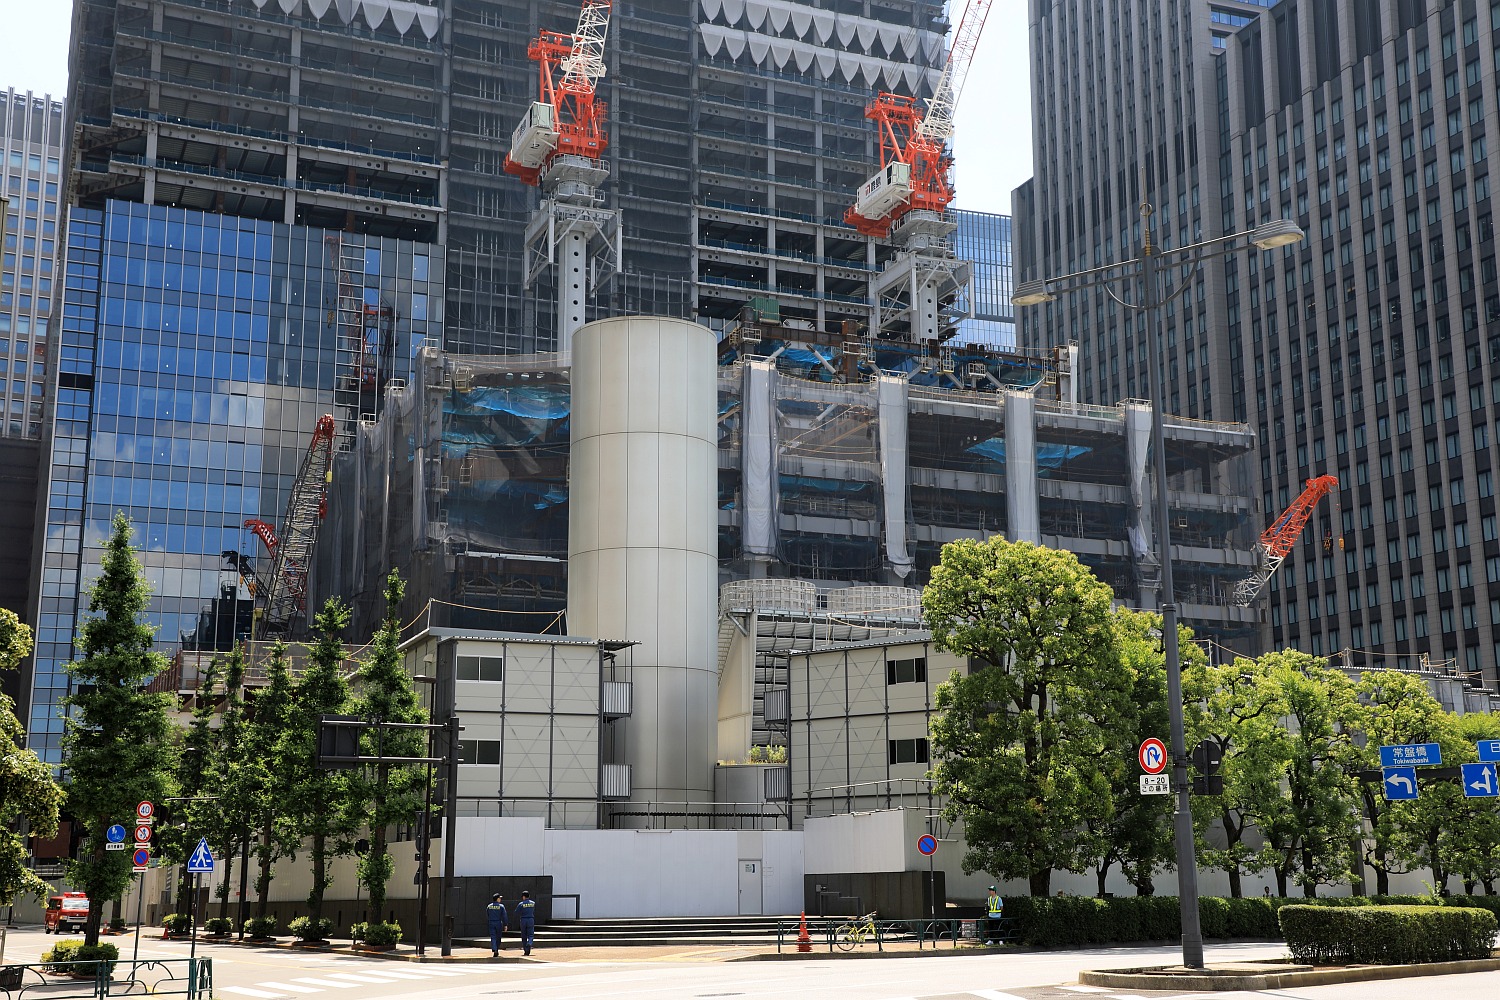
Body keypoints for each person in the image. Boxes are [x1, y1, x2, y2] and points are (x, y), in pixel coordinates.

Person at [516, 889, 537, 956]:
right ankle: (529, 943)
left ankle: (526, 949)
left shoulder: (521, 904)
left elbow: (516, 912)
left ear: (523, 897)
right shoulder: (533, 903)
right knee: (531, 935)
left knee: (524, 936)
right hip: (530, 919)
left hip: (523, 920)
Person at [486, 893, 507, 957]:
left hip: (491, 922)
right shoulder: (501, 906)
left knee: (493, 937)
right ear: (497, 899)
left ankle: (494, 949)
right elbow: (504, 916)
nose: (500, 899)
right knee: (498, 937)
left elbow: (487, 914)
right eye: (499, 898)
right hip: (498, 923)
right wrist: (505, 924)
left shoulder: (489, 906)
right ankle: (496, 949)